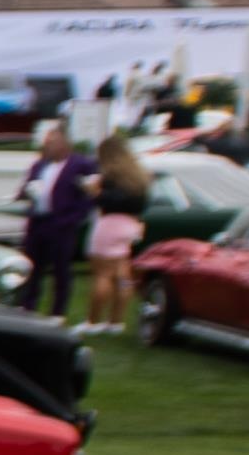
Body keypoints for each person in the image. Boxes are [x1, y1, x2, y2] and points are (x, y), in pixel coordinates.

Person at [18, 119, 95, 321]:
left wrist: (72, 219)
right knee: (32, 267)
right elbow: (25, 188)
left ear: (64, 143)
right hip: (38, 222)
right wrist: (28, 191)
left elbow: (88, 196)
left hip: (61, 223)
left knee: (61, 269)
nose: (48, 145)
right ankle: (28, 305)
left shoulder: (80, 165)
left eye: (52, 141)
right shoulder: (39, 165)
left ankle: (57, 311)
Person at [81, 122, 155, 324]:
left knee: (102, 275)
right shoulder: (138, 175)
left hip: (110, 224)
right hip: (131, 224)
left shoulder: (110, 176)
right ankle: (116, 320)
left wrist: (94, 193)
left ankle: (93, 320)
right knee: (122, 274)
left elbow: (106, 199)